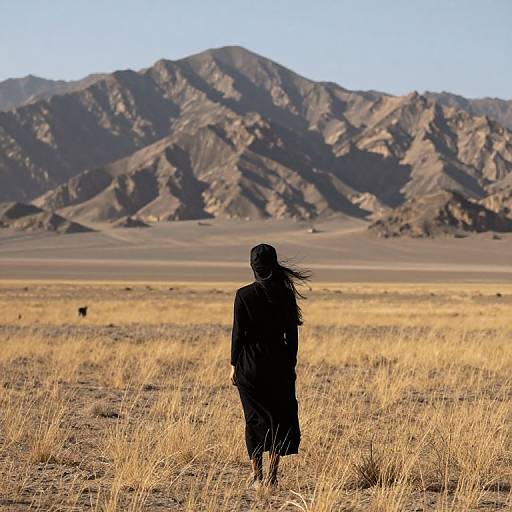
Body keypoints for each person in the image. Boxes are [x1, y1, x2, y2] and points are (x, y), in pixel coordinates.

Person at [230, 243, 311, 489]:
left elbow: (238, 335)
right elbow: (292, 336)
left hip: (250, 366)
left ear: (252, 267)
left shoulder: (243, 295)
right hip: (279, 364)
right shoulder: (285, 294)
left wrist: (234, 365)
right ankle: (273, 478)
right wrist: (290, 364)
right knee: (278, 419)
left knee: (254, 419)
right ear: (274, 265)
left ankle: (257, 477)